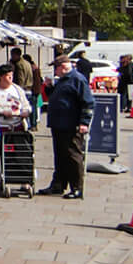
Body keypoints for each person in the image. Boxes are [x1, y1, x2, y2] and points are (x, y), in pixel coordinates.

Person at [41, 52, 94, 199]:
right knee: (60, 156)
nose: (54, 72)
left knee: (73, 156)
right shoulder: (63, 80)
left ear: (63, 67)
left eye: (55, 68)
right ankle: (58, 184)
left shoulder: (77, 79)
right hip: (59, 124)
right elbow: (57, 96)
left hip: (71, 124)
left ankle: (77, 187)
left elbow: (88, 102)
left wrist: (84, 122)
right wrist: (49, 87)